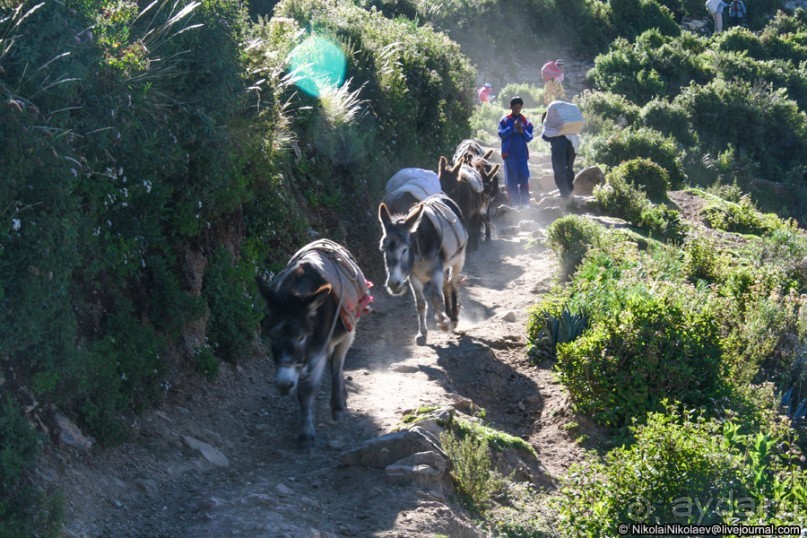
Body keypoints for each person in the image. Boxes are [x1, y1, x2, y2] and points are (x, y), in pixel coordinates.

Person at [498, 96, 534, 209]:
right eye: (515, 107)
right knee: (512, 180)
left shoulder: (525, 121)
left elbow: (529, 137)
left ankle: (525, 204)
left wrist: (521, 130)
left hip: (522, 155)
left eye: (519, 107)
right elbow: (501, 134)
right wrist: (512, 128)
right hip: (509, 155)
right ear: (511, 107)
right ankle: (514, 204)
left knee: (524, 178)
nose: (517, 110)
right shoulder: (504, 120)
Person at [541, 108, 579, 199]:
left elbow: (545, 137)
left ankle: (565, 195)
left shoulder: (550, 123)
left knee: (559, 170)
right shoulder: (567, 125)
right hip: (573, 145)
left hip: (559, 147)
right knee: (569, 168)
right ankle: (569, 191)